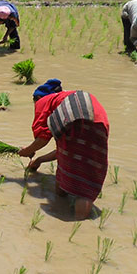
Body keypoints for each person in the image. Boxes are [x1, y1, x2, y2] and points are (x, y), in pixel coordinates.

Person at [17, 79, 110, 220]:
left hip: (77, 121)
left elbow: (42, 138)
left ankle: (76, 225)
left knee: (75, 184)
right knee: (87, 176)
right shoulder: (67, 99)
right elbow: (64, 150)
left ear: (38, 98)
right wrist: (39, 160)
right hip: (100, 122)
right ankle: (79, 220)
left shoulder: (44, 101)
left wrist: (27, 151)